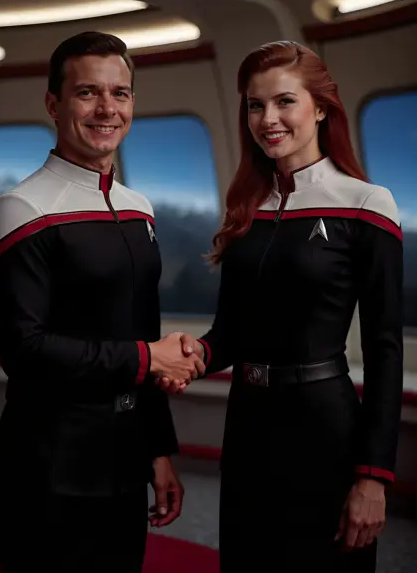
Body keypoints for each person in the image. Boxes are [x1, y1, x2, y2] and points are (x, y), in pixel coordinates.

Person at [168, 41, 403, 572]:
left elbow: (386, 350)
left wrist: (373, 477)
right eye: (255, 105)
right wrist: (192, 354)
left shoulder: (367, 204)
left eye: (284, 102)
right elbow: (229, 334)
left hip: (324, 429)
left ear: (320, 108)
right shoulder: (247, 209)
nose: (267, 119)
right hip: (248, 428)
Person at [0, 30, 205, 573]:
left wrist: (158, 452)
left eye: (119, 93)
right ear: (53, 104)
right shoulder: (18, 210)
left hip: (125, 459)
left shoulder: (139, 209)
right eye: (87, 93)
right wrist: (149, 357)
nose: (107, 109)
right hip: (48, 465)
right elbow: (25, 351)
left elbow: (142, 329)